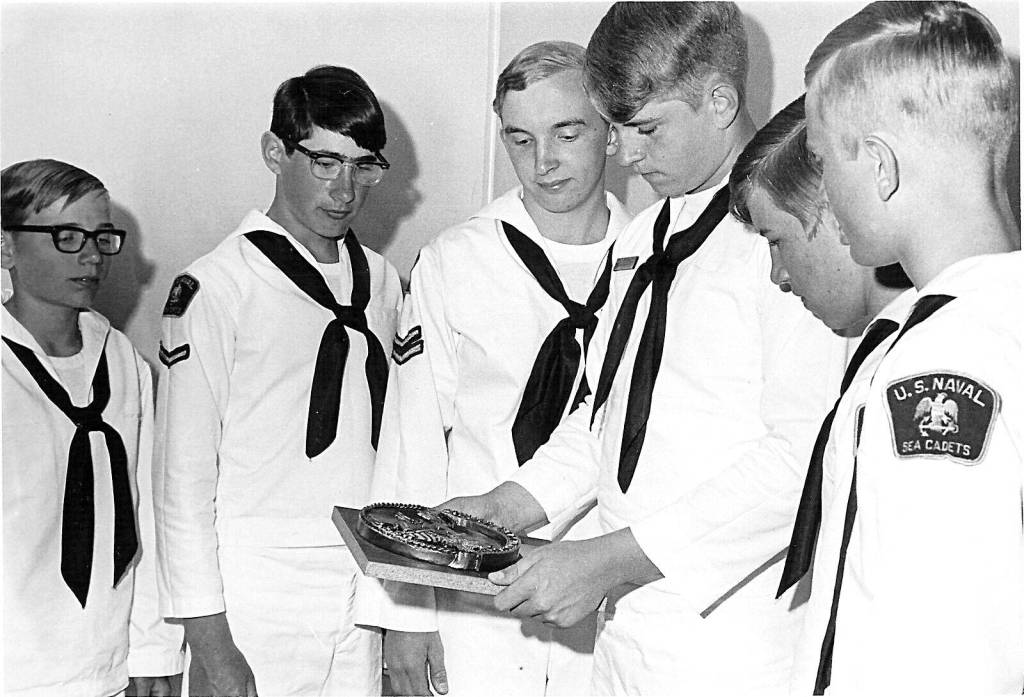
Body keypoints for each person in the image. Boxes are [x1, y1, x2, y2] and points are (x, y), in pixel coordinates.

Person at [443, 4, 848, 693]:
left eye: (647, 129)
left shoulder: (789, 238)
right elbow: (603, 419)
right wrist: (505, 506)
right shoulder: (642, 237)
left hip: (729, 641)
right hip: (625, 631)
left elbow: (801, 457)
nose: (626, 156)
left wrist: (613, 558)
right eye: (619, 130)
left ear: (720, 100)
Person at [354, 40, 631, 697]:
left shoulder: (649, 264)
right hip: (474, 602)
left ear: (612, 133)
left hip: (604, 600)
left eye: (568, 132)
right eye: (520, 139)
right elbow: (412, 440)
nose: (545, 162)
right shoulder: (458, 258)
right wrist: (406, 613)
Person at [793, 1, 1023, 692]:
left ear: (882, 167)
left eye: (821, 160)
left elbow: (940, 644)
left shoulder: (940, 362)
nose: (825, 194)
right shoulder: (990, 323)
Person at [153, 66, 402, 697]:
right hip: (255, 596)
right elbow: (180, 480)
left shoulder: (383, 282)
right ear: (275, 153)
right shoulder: (218, 285)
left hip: (361, 583)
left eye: (362, 164)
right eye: (323, 161)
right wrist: (211, 645)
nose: (344, 188)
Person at [1, 159, 183, 696]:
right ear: (6, 248)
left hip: (107, 664)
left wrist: (153, 648)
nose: (90, 255)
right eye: (66, 236)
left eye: (103, 237)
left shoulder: (123, 359)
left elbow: (147, 511)